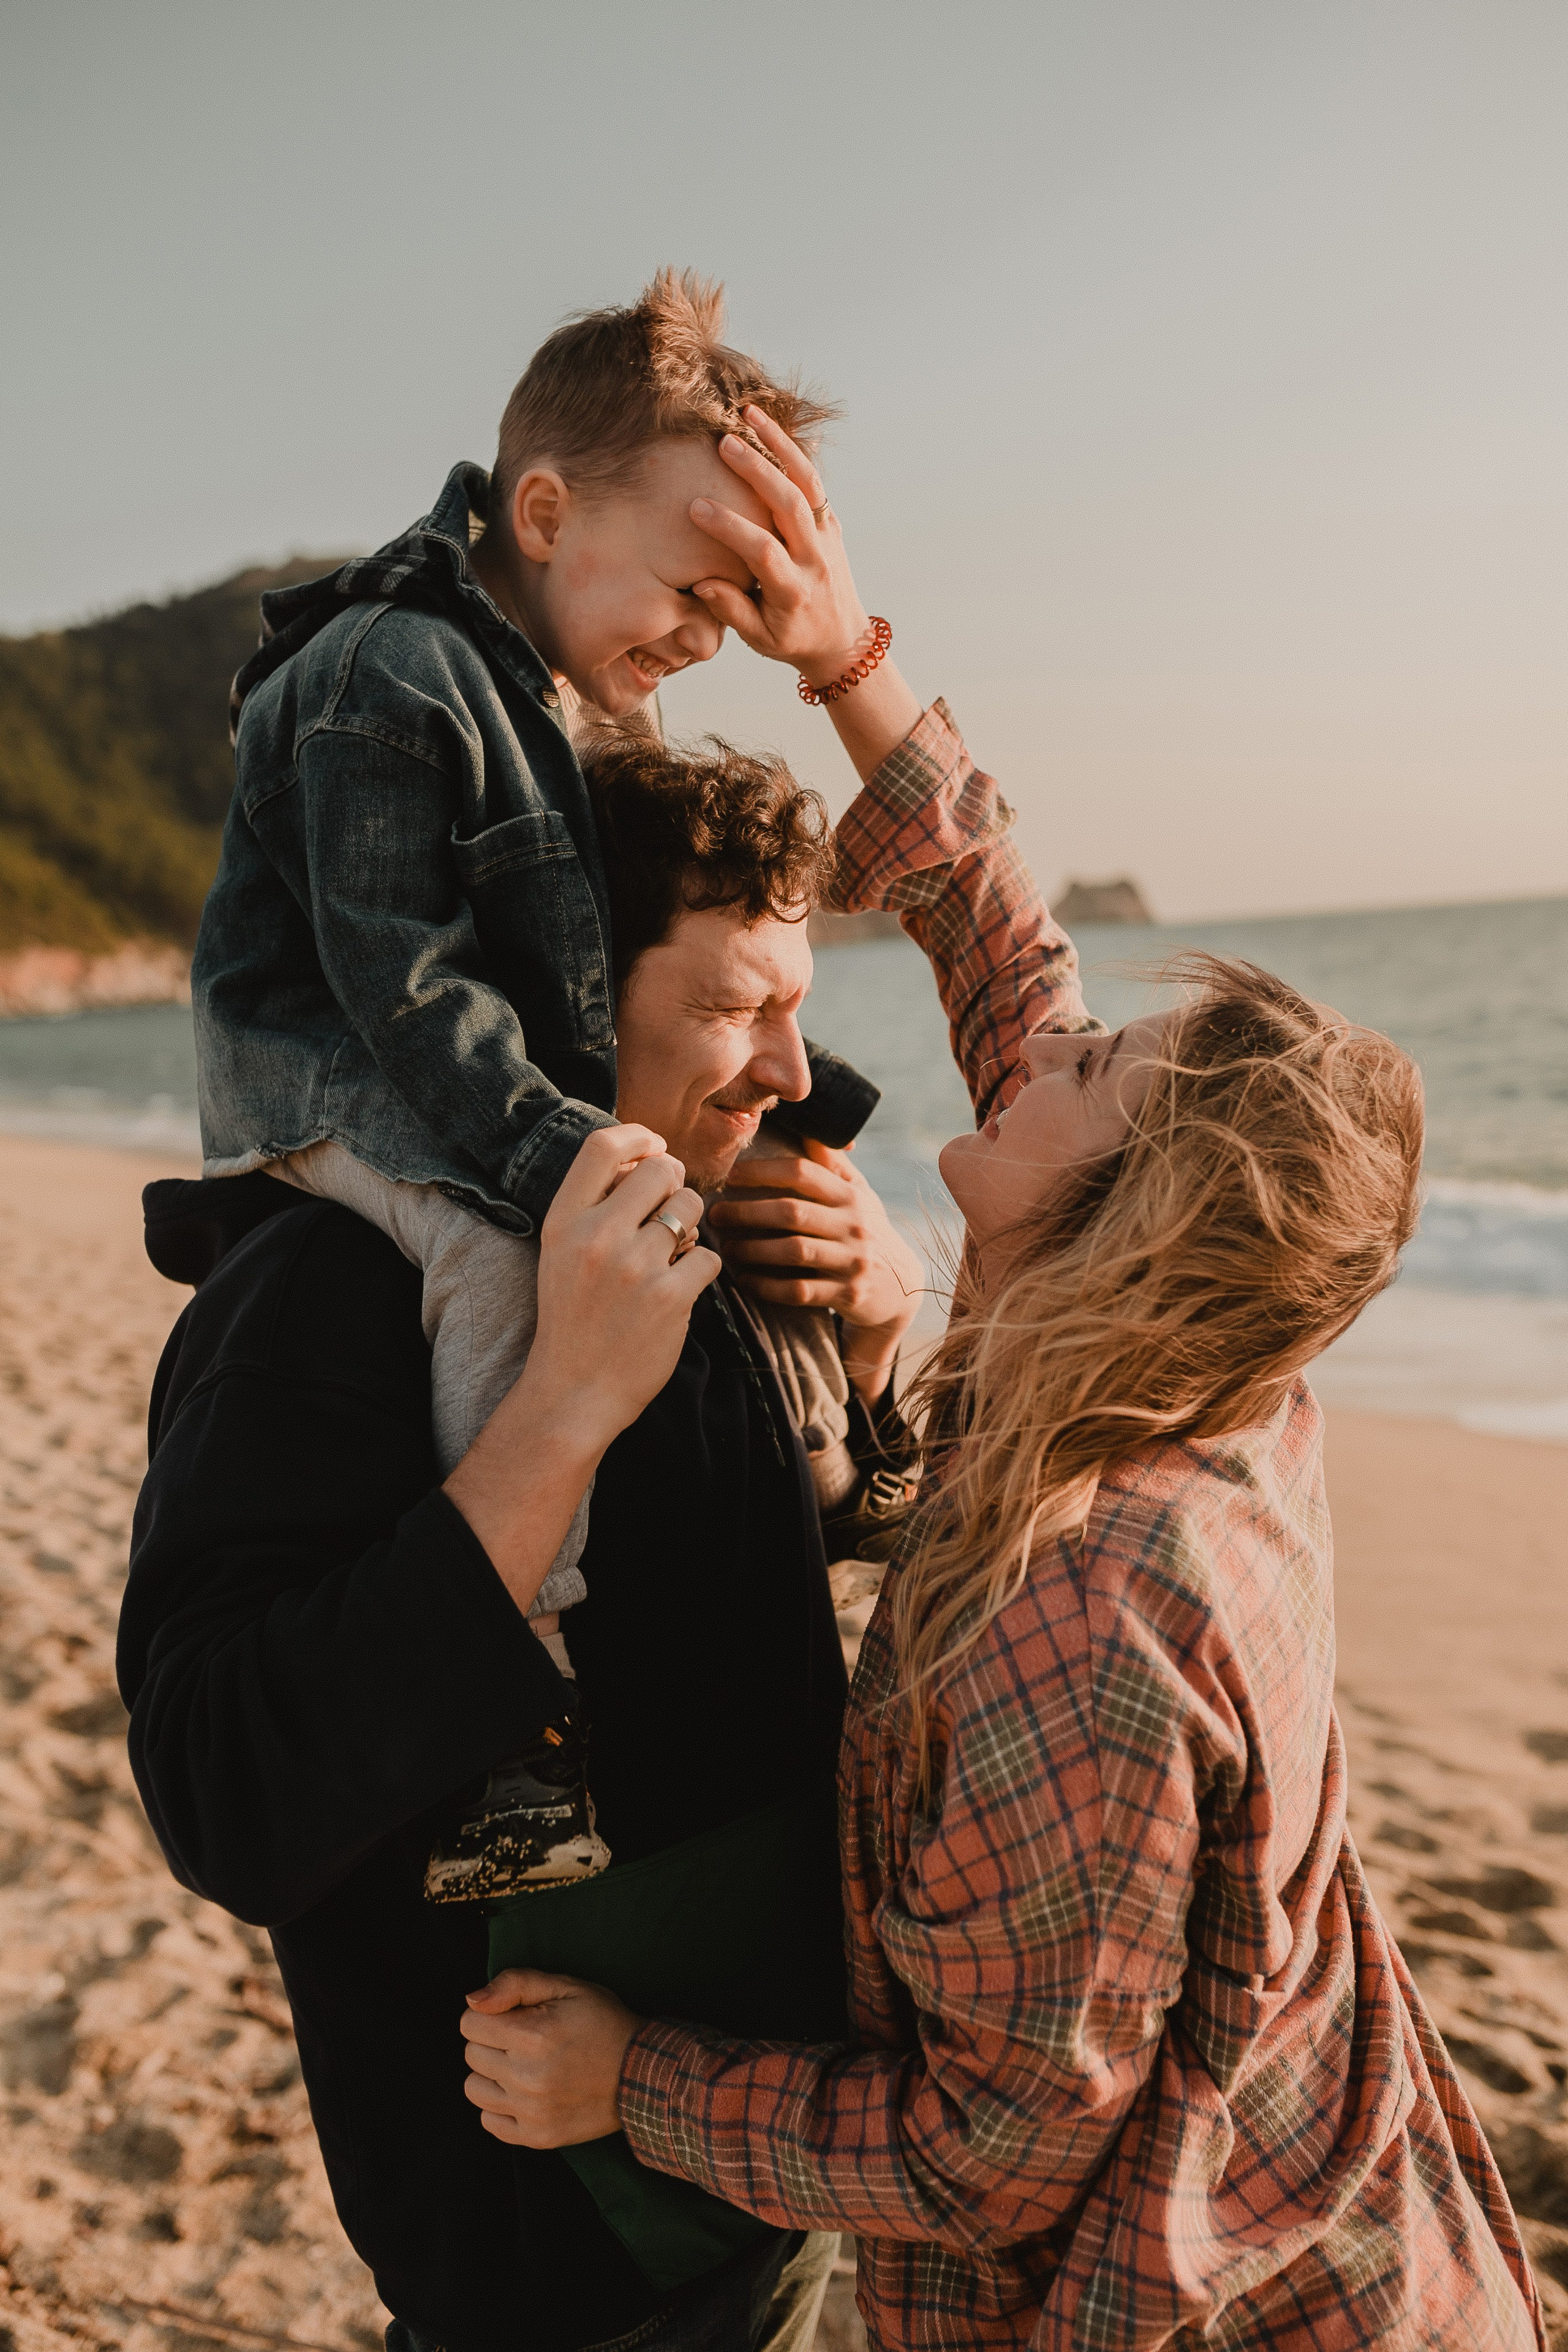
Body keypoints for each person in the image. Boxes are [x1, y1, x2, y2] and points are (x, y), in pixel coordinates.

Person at [454, 430, 1547, 2350]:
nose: (1043, 1037)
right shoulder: (1209, 1380)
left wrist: (641, 2085)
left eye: (1093, 1069)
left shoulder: (1084, 1600)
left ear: (1118, 1225)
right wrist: (836, 651)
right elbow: (997, 939)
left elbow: (995, 2151)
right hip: (1351, 2201)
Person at [122, 403, 962, 2344]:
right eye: (736, 1007)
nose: (783, 1070)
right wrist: (564, 1410)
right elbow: (227, 1789)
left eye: (802, 1010)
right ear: (577, 999)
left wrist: (877, 1342)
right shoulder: (332, 1290)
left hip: (784, 2148)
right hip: (544, 2247)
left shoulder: (742, 1230)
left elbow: (852, 1549)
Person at [191, 268, 845, 1899]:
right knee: (502, 1275)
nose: (710, 637)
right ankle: (516, 1740)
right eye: (698, 589)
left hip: (440, 1095)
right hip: (341, 1098)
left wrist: (816, 1163)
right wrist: (565, 1153)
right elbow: (406, 982)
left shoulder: (527, 695)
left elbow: (656, 955)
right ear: (543, 512)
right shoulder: (393, 675)